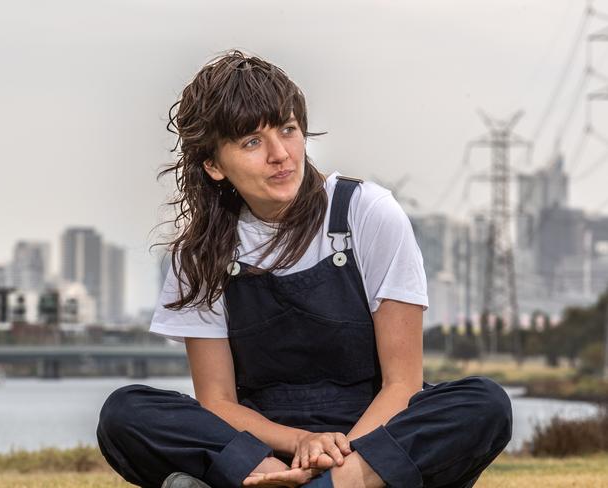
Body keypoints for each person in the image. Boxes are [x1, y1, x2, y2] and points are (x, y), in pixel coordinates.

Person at [96, 50, 513, 488]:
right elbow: (218, 402)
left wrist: (341, 460)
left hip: (372, 438)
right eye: (251, 142)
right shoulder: (201, 255)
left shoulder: (367, 212)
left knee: (484, 404)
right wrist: (299, 446)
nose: (281, 154)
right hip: (264, 445)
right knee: (126, 413)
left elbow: (401, 384)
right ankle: (286, 481)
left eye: (288, 130)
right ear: (214, 165)